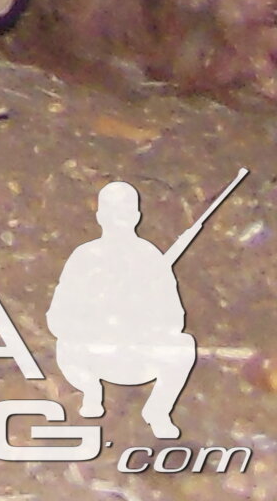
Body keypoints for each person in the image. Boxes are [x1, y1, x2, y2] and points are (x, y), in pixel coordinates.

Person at [47, 180, 199, 441]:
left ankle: (158, 410)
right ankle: (91, 391)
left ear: (136, 216)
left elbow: (174, 317)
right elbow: (57, 317)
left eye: (125, 213)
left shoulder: (151, 258)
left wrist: (142, 320)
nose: (118, 219)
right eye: (112, 212)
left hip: (137, 352)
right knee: (66, 346)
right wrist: (96, 320)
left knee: (183, 346)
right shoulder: (85, 257)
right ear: (100, 216)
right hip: (94, 352)